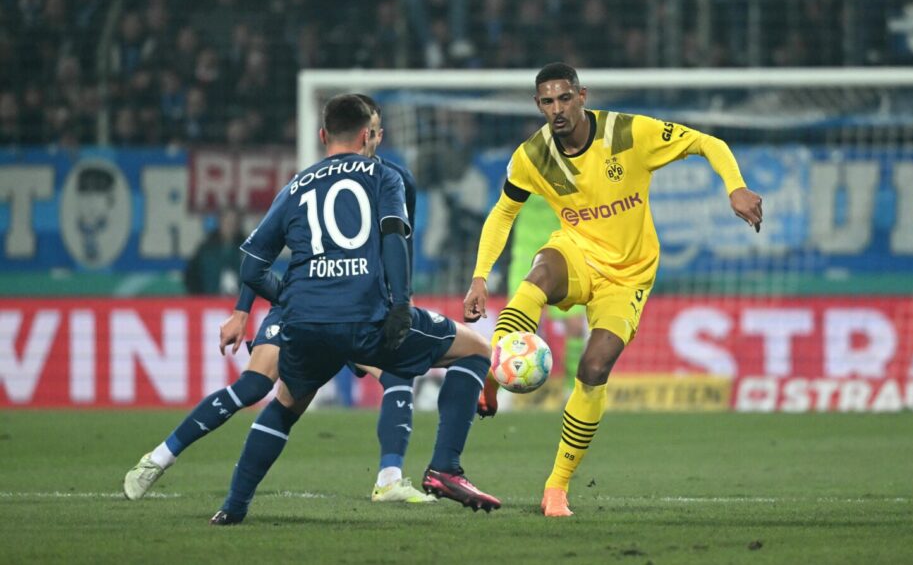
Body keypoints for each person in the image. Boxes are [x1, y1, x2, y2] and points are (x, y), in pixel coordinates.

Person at [463, 62, 762, 517]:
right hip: (577, 252)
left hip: (629, 274)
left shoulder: (628, 133)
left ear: (583, 96)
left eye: (565, 98)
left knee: (595, 367)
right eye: (547, 101)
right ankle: (497, 367)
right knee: (540, 272)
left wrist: (735, 188)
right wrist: (480, 276)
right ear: (538, 105)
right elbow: (504, 213)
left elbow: (707, 142)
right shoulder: (532, 155)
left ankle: (556, 487)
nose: (557, 109)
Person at [124, 97, 435, 504]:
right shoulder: (320, 182)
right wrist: (243, 310)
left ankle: (390, 477)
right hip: (306, 304)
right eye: (371, 130)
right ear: (362, 133)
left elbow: (393, 246)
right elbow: (262, 256)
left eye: (379, 131)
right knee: (254, 384)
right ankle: (159, 458)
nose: (375, 138)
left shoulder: (389, 180)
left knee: (396, 376)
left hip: (359, 304)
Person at [210, 94, 498, 524]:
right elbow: (394, 238)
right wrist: (402, 303)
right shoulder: (386, 176)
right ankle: (444, 468)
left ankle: (233, 507)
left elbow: (252, 266)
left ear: (323, 134)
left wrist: (288, 295)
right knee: (475, 348)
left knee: (285, 404)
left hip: (305, 322)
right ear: (369, 136)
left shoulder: (296, 185)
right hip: (368, 317)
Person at [509, 195, 588, 396]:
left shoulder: (572, 172)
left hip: (562, 251)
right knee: (516, 326)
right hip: (525, 253)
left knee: (576, 326)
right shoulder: (523, 170)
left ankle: (572, 388)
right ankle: (506, 386)